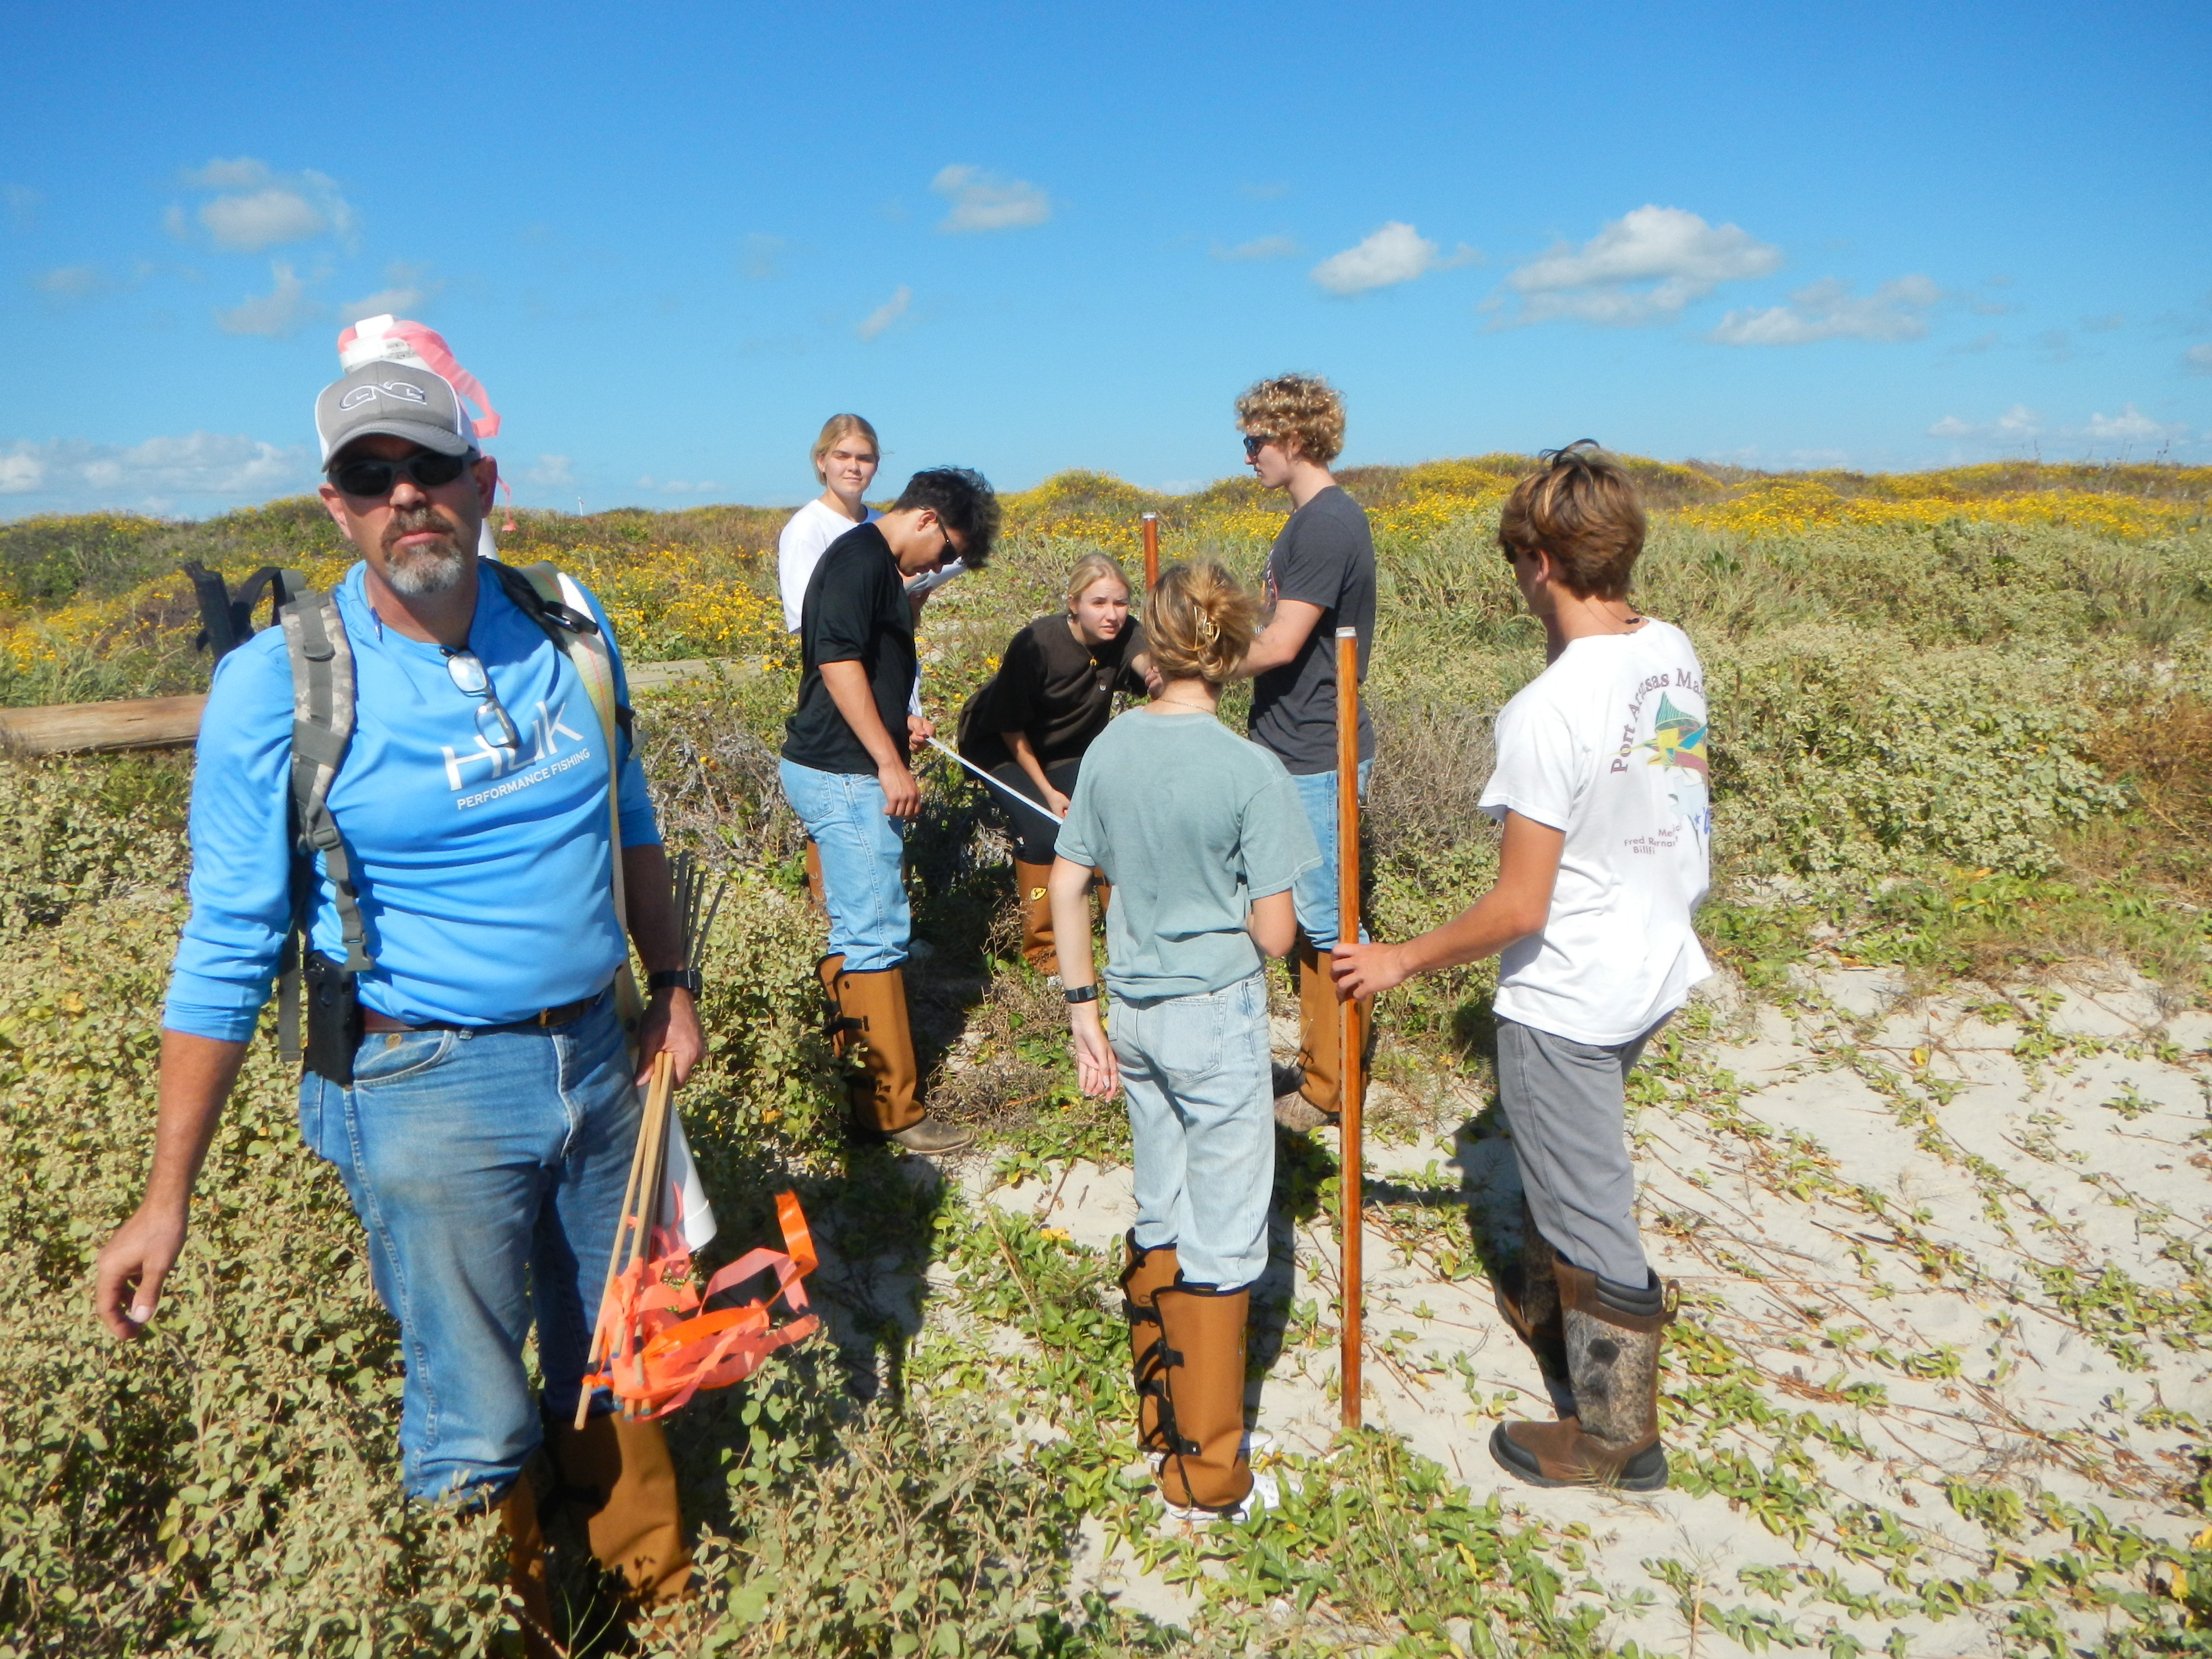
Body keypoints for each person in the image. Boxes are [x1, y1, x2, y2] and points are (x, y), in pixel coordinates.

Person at [90, 350, 705, 1641]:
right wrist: (164, 1199)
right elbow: (225, 944)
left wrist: (676, 983)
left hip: (599, 1052)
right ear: (335, 506)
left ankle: (653, 1599)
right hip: (426, 1084)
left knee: (629, 1342)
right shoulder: (280, 682)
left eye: (430, 467)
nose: (405, 496)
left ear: (481, 481)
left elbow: (629, 818)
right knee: (473, 1405)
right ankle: (516, 1621)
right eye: (372, 476)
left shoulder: (567, 624)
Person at [1333, 442, 1709, 1493]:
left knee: (1591, 1200)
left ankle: (1613, 1434)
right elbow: (1676, 792)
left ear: (1538, 561)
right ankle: (1550, 1302)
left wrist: (1400, 957)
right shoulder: (1670, 648)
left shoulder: (1547, 708)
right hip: (1655, 956)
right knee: (1573, 1167)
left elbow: (1518, 905)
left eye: (1515, 561)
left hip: (1573, 991)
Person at [1052, 560, 1319, 1523]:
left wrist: (1082, 1008)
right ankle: (1207, 1474)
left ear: (1152, 645)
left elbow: (1069, 882)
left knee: (1158, 1196)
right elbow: (1279, 935)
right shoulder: (1253, 771)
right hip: (1216, 1013)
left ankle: (1158, 1419)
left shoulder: (1113, 747)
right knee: (1229, 1226)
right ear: (1234, 647)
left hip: (1128, 1010)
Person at [782, 466, 1000, 1156]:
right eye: (944, 553)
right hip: (845, 775)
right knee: (873, 934)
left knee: (853, 928)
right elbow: (838, 663)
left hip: (844, 762)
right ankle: (890, 1111)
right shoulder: (858, 559)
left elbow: (864, 666)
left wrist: (893, 722)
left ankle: (850, 1081)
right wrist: (886, 760)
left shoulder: (873, 561)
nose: (937, 567)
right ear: (927, 519)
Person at [1229, 373, 1378, 1128]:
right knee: (1310, 913)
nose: (1247, 456)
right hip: (1293, 745)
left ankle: (1328, 1087)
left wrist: (1194, 669)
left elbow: (1281, 643)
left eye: (1255, 441)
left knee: (1325, 923)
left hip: (1317, 750)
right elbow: (1275, 617)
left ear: (1293, 438)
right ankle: (1325, 1067)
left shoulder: (1324, 524)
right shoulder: (1307, 521)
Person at [776, 415, 966, 907]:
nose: (854, 467)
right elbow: (826, 638)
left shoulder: (880, 525)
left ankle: (877, 942)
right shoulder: (809, 531)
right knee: (854, 865)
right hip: (840, 726)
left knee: (879, 842)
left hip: (886, 703)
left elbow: (890, 634)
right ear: (821, 462)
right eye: (843, 456)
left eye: (864, 458)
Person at [957, 552, 1154, 972]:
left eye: (1120, 603)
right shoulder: (1038, 643)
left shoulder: (1126, 633)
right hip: (1001, 744)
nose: (1112, 614)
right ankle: (1044, 953)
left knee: (1111, 814)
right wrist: (1047, 792)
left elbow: (1147, 668)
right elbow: (1010, 727)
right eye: (1098, 603)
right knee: (1045, 830)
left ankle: (1120, 935)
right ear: (1073, 602)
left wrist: (1170, 674)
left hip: (1067, 748)